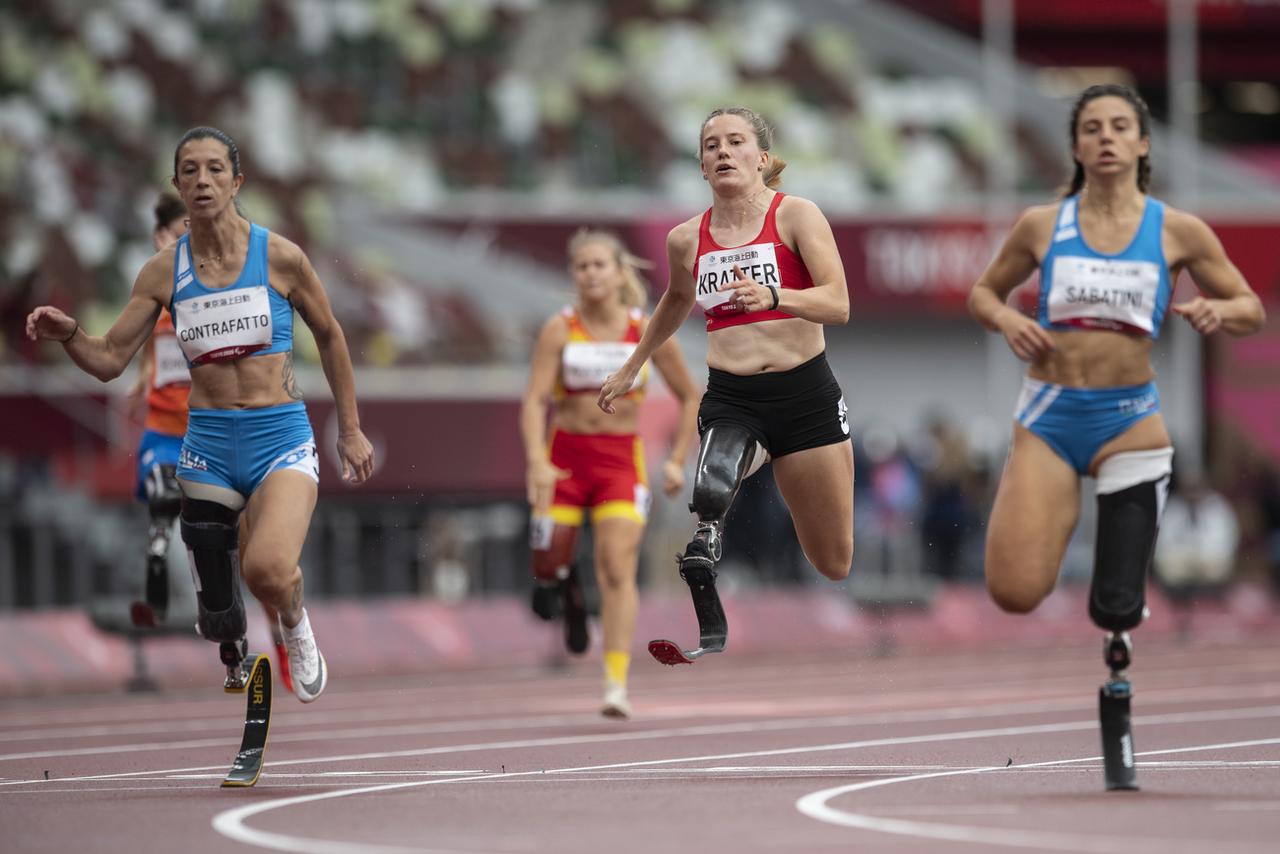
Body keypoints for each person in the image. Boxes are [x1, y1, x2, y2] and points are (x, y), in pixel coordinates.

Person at [967, 84, 1264, 786]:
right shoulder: (1044, 225)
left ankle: (1120, 598)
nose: (1105, 137)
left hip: (1130, 419)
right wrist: (1008, 319)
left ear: (1141, 143)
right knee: (1013, 591)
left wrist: (1222, 314)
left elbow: (1249, 304)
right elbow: (984, 292)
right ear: (1075, 147)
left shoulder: (1177, 230)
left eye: (1120, 126)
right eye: (1092, 127)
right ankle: (1065, 522)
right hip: (1049, 414)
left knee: (1115, 606)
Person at [27, 126, 374, 702]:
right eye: (190, 170)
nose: (203, 180)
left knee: (266, 568)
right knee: (217, 612)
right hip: (208, 446)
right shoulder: (163, 272)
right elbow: (111, 359)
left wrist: (351, 429)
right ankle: (238, 632)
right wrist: (70, 335)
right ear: (176, 185)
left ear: (237, 181)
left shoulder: (280, 256)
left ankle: (294, 621)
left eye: (216, 169)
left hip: (278, 436)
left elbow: (332, 337)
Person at [597, 106, 855, 666]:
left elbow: (838, 303)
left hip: (805, 397)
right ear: (701, 165)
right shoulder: (686, 239)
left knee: (833, 560)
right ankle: (706, 546)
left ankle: (737, 491)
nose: (722, 151)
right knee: (710, 488)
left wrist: (776, 296)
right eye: (710, 144)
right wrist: (633, 364)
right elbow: (675, 300)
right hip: (734, 397)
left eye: (735, 142)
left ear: (760, 158)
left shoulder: (798, 217)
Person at [521, 228, 699, 717]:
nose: (590, 273)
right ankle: (571, 594)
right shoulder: (560, 327)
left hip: (620, 463)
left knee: (618, 567)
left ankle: (615, 683)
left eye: (600, 265)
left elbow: (690, 397)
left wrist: (678, 460)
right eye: (582, 266)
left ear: (621, 274)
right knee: (548, 564)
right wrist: (537, 458)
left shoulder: (647, 328)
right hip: (564, 460)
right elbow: (536, 398)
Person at [129, 192, 298, 693]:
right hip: (169, 437)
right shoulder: (157, 294)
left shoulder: (222, 290)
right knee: (183, 517)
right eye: (172, 234)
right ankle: (225, 639)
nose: (181, 241)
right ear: (159, 239)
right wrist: (142, 377)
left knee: (254, 559)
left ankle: (279, 630)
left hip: (220, 434)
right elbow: (136, 348)